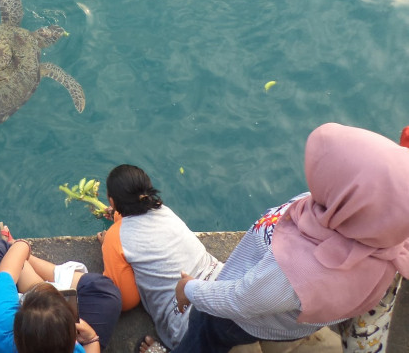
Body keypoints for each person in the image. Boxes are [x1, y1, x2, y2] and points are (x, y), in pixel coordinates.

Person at [139, 122, 409, 353]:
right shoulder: (377, 233)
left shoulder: (300, 271)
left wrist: (189, 289)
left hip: (242, 318)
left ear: (350, 199)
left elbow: (240, 300)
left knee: (206, 331)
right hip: (284, 316)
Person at [99, 164, 222, 349]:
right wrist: (118, 217)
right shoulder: (163, 210)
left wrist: (108, 246)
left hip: (186, 322)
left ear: (112, 201)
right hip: (222, 284)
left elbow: (126, 300)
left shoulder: (115, 238)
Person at [0, 224, 122, 353]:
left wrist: (22, 245)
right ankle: (34, 274)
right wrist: (91, 338)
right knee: (106, 293)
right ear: (72, 340)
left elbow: (7, 270)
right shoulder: (73, 349)